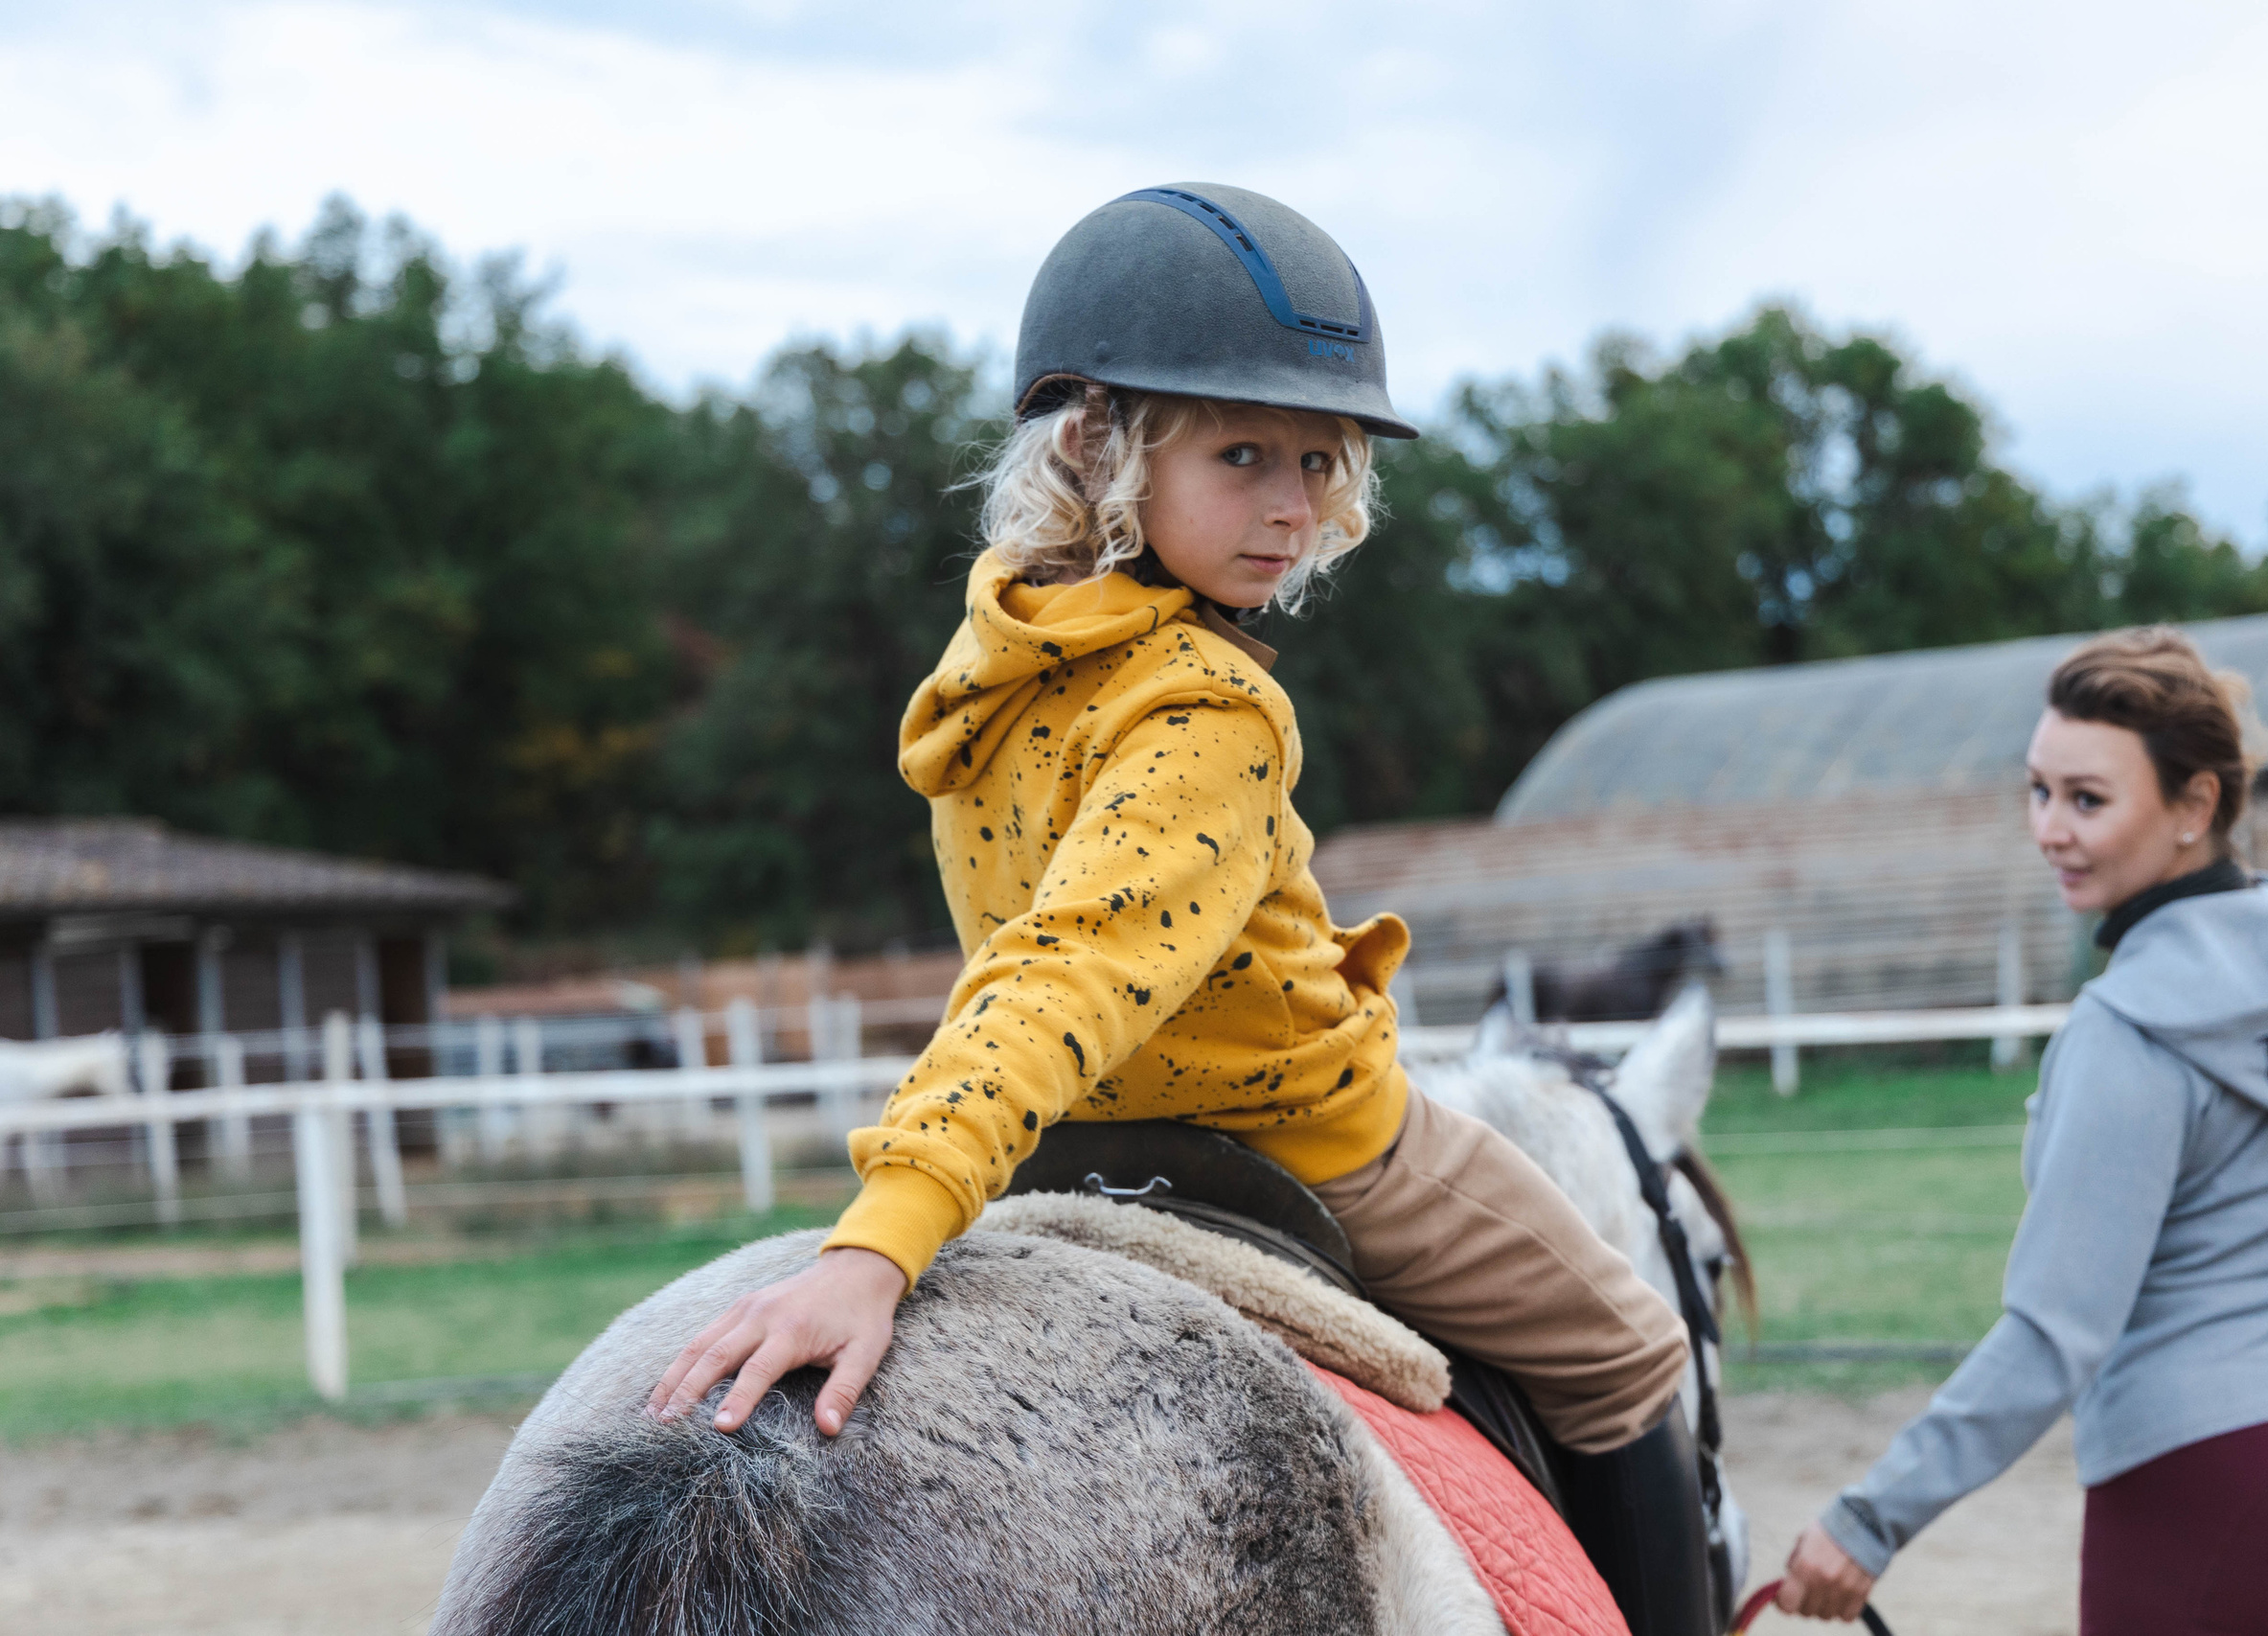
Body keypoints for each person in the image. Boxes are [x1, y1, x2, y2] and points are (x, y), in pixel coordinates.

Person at [646, 183, 1690, 1620]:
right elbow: (1069, 965)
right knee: (1633, 1349)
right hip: (1317, 1139)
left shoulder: (993, 665)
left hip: (1061, 1150)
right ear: (1098, 444)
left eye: (1322, 460)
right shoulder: (1212, 700)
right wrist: (880, 1236)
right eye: (1244, 451)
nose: (1293, 504)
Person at [1778, 628, 2268, 1634]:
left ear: (2196, 805)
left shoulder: (2122, 1032)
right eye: (2038, 791)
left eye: (2086, 799)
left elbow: (2055, 1334)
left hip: (2222, 1490)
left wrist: (1867, 1522)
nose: (2050, 828)